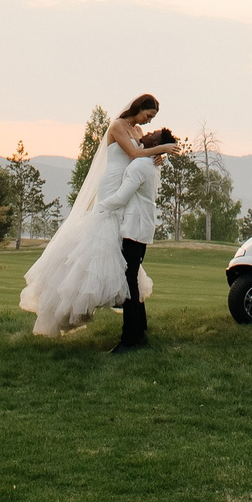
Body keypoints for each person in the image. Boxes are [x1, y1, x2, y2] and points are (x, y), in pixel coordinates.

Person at [19, 94, 181, 338]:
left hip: (127, 185)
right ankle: (79, 298)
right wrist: (162, 149)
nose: (148, 123)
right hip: (114, 182)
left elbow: (145, 152)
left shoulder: (137, 130)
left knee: (126, 253)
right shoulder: (117, 126)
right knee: (101, 241)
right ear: (139, 108)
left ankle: (133, 321)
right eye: (148, 116)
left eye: (152, 119)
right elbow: (136, 155)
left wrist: (158, 156)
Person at [100, 128, 174, 353]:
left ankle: (129, 338)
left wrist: (100, 208)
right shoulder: (149, 162)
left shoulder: (140, 166)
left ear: (157, 143)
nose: (148, 133)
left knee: (128, 281)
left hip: (134, 229)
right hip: (140, 228)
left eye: (154, 134)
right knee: (132, 278)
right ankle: (139, 329)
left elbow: (123, 196)